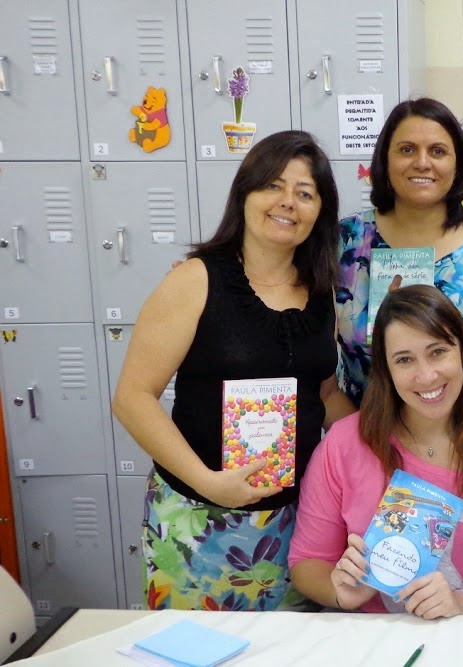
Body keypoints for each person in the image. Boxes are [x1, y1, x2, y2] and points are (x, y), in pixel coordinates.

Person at [112, 130, 356, 611]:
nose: (288, 202)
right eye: (273, 185)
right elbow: (133, 397)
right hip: (198, 518)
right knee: (195, 652)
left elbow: (323, 394)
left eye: (305, 193)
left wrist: (382, 443)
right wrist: (208, 481)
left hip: (295, 520)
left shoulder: (321, 292)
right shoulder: (195, 279)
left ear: (319, 213)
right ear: (244, 193)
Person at [289, 285, 463, 616]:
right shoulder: (343, 445)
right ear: (385, 370)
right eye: (404, 360)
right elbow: (306, 562)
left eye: (438, 351)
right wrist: (340, 591)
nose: (426, 375)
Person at [337, 97, 463, 407]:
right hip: (365, 437)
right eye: (407, 149)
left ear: (458, 164)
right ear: (385, 160)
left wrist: (443, 342)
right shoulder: (347, 240)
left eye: (438, 151)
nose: (422, 162)